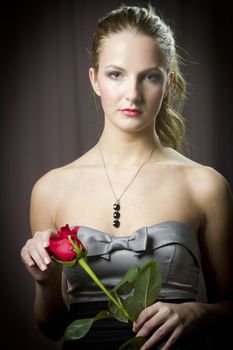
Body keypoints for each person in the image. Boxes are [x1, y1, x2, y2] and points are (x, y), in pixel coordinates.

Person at [20, 4, 233, 350]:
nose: (132, 94)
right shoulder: (50, 189)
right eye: (116, 74)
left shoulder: (205, 185)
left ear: (168, 83)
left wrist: (198, 313)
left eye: (149, 76)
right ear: (94, 80)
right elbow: (53, 327)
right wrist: (46, 283)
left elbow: (229, 309)